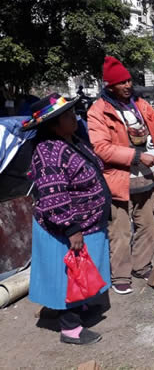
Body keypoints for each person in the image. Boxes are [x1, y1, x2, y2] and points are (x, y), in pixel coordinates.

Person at [25, 93, 111, 345]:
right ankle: (70, 329)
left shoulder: (71, 140)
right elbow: (55, 196)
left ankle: (82, 308)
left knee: (83, 272)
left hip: (88, 223)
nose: (75, 118)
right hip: (64, 228)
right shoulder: (48, 152)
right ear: (53, 124)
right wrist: (71, 227)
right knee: (69, 276)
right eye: (68, 116)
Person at [87, 56, 154, 295]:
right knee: (121, 231)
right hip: (119, 182)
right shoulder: (98, 111)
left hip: (146, 178)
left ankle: (141, 265)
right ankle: (121, 275)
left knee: (147, 226)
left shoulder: (141, 105)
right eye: (121, 83)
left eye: (128, 81)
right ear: (110, 86)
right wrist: (136, 156)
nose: (127, 85)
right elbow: (101, 148)